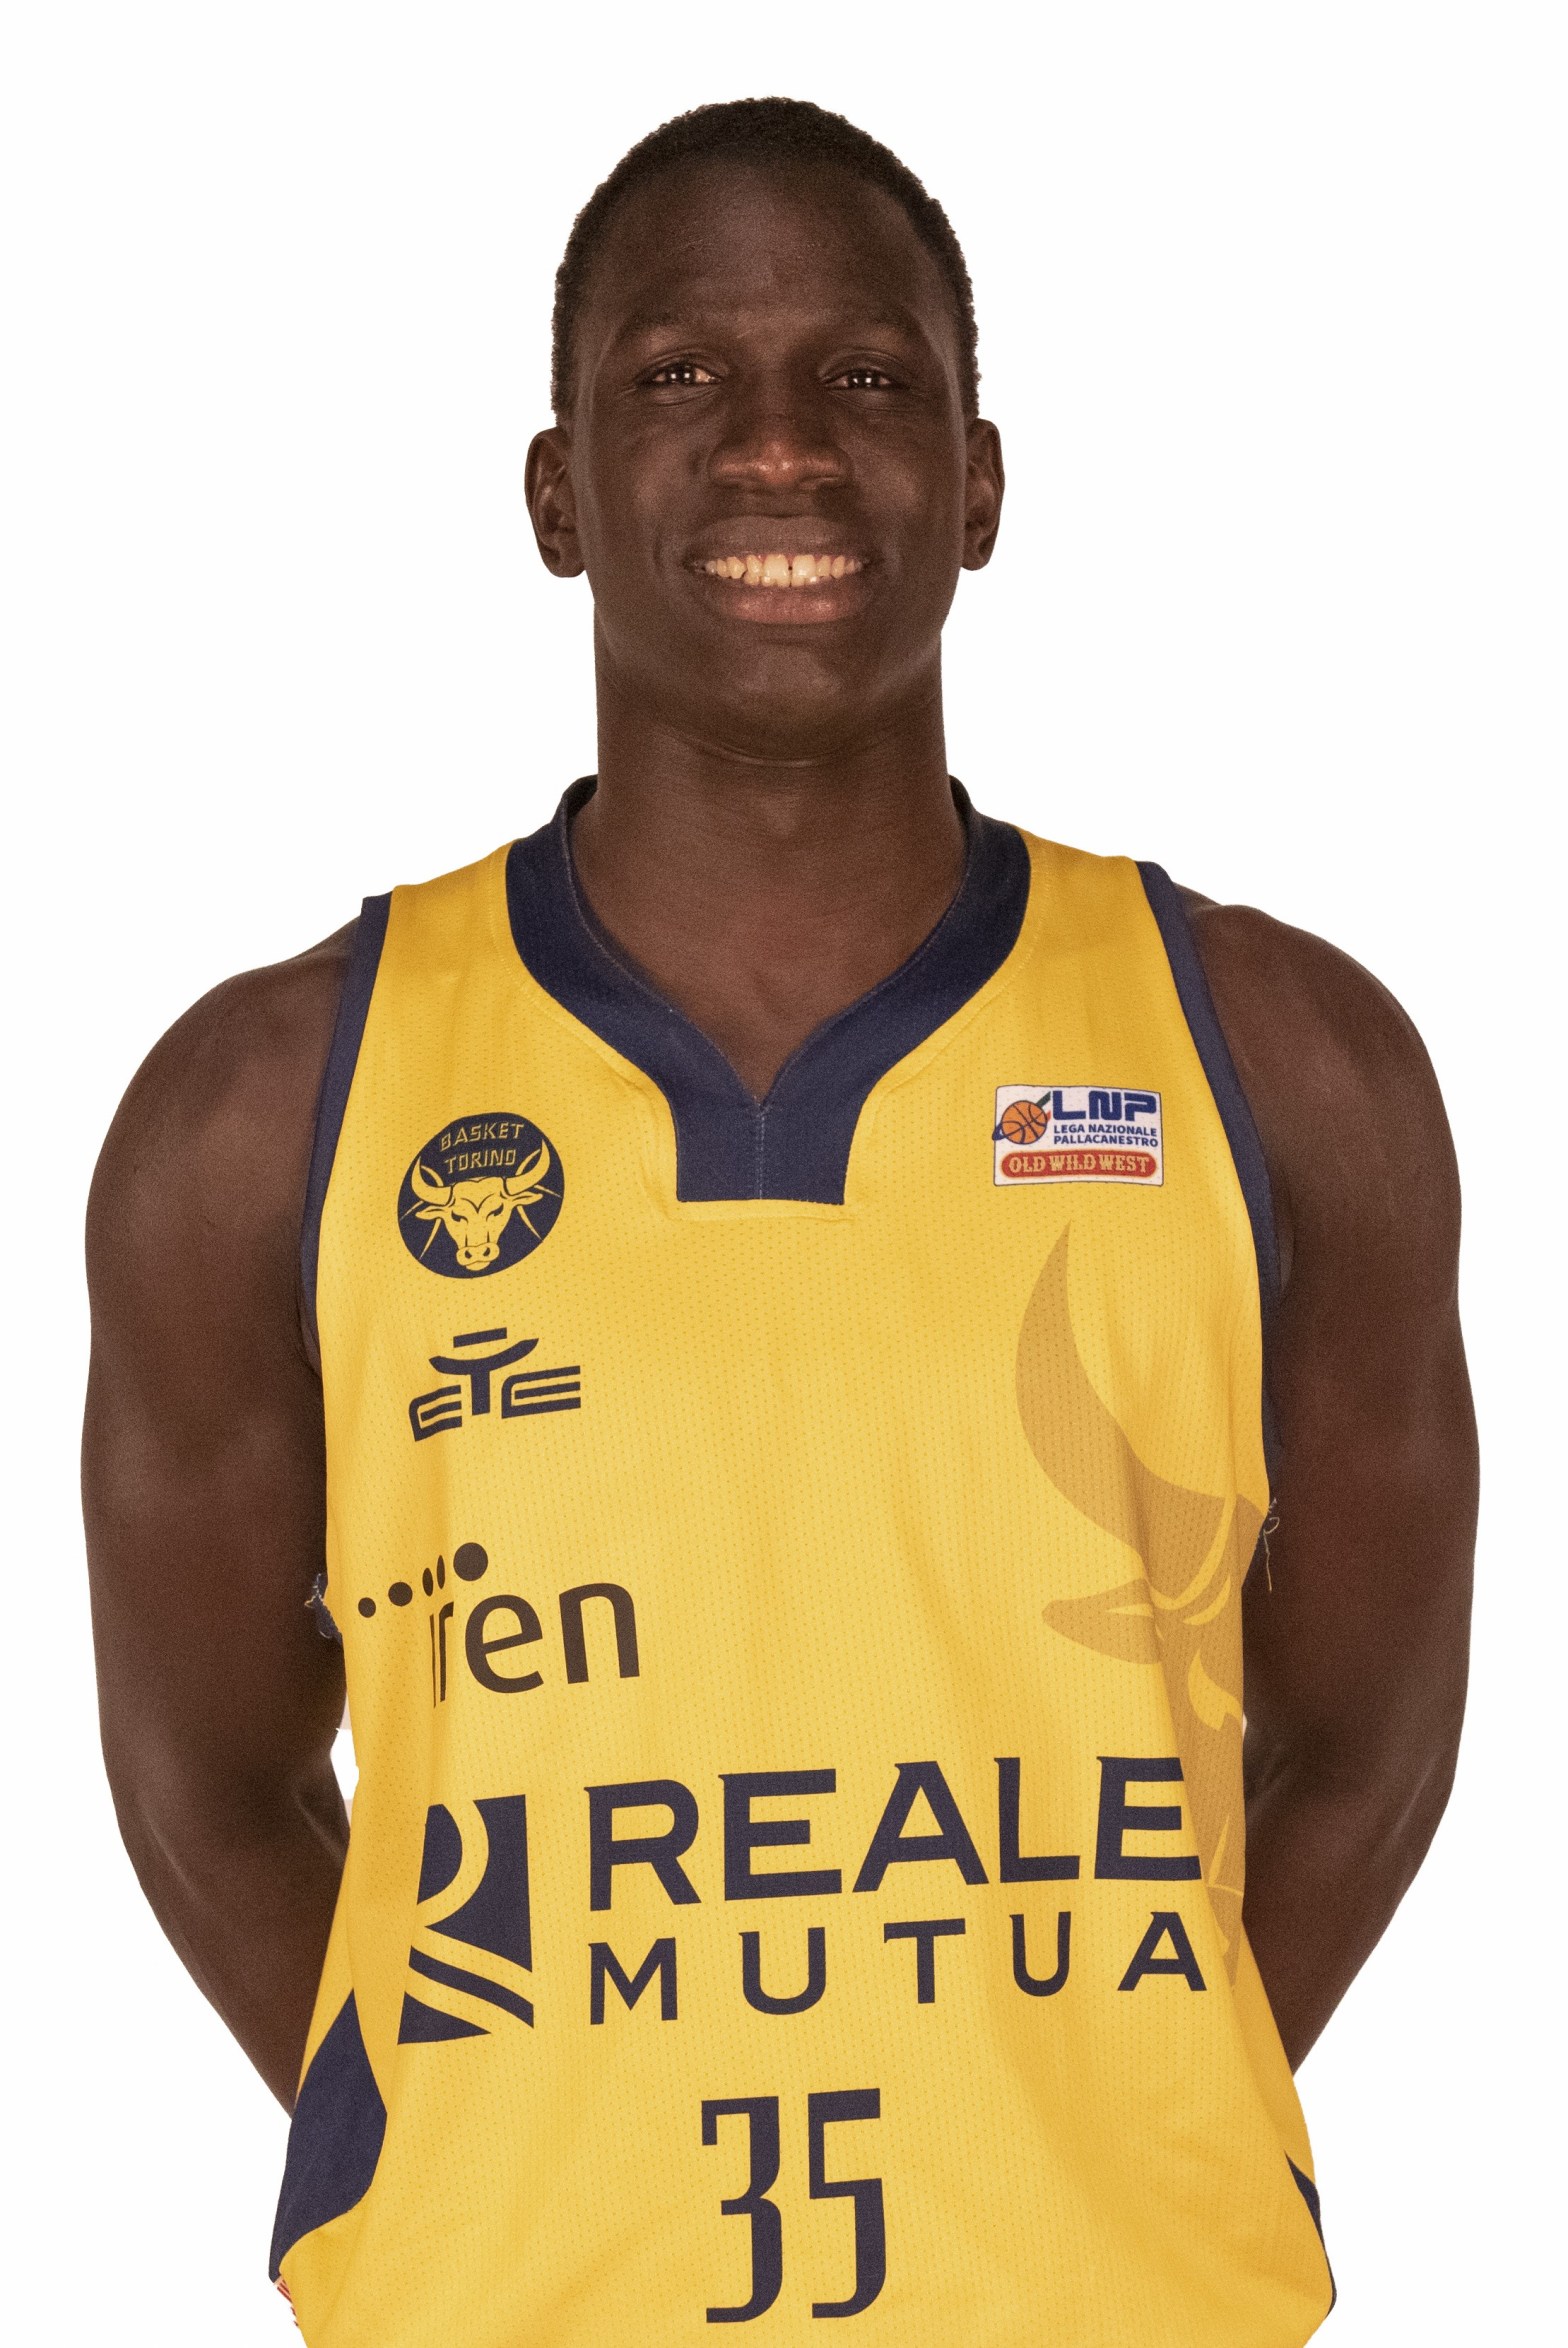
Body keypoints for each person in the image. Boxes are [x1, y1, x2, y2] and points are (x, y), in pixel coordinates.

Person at [83, 97, 1476, 2347]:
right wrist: (473, 2156)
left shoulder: (1287, 1064)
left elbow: (1371, 1746)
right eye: (677, 377)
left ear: (980, 485)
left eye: (865, 377)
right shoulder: (262, 1111)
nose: (780, 448)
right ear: (555, 494)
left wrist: (1103, 2122)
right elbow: (208, 1786)